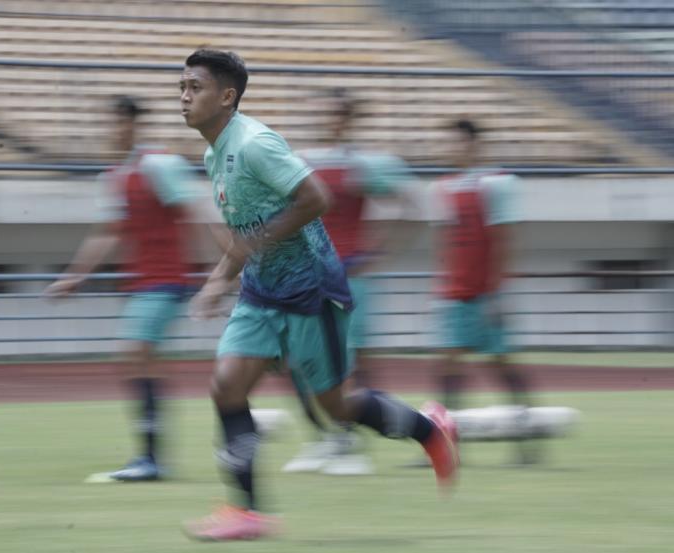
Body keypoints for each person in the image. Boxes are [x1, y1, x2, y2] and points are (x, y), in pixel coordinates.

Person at [178, 49, 458, 541]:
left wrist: (247, 250)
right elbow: (248, 230)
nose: (183, 97)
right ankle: (247, 512)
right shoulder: (213, 154)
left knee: (339, 407)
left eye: (194, 87)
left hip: (311, 290)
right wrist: (220, 277)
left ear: (227, 96)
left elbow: (316, 198)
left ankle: (428, 428)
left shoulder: (256, 143)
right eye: (181, 87)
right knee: (226, 386)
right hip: (263, 293)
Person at [45, 96, 200, 481]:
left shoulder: (159, 165)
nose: (109, 131)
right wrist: (75, 275)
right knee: (138, 362)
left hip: (167, 279)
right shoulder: (114, 176)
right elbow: (109, 231)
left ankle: (151, 459)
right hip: (143, 281)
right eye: (107, 124)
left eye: (115, 123)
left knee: (135, 355)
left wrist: (211, 272)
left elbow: (193, 214)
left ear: (132, 124)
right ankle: (150, 458)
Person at [285, 88, 418, 476]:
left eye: (339, 114)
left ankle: (349, 443)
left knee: (345, 362)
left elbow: (413, 206)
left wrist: (379, 253)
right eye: (326, 113)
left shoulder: (366, 164)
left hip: (346, 275)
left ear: (349, 118)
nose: (332, 120)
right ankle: (325, 437)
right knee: (294, 360)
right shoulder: (301, 160)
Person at [429, 118, 537, 464]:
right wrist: (441, 286)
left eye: (458, 142)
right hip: (455, 293)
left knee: (501, 366)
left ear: (475, 144)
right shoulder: (443, 187)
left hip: (486, 295)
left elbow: (504, 241)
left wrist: (497, 293)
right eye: (448, 142)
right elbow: (447, 243)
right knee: (447, 367)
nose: (451, 149)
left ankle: (526, 445)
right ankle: (446, 444)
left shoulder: (498, 183)